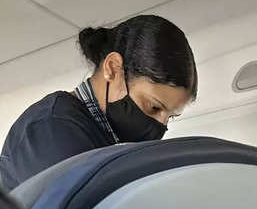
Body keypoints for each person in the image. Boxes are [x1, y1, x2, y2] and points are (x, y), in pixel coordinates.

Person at [0, 15, 198, 190]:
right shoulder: (51, 128)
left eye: (170, 116)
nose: (161, 126)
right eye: (154, 107)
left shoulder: (108, 141)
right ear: (112, 69)